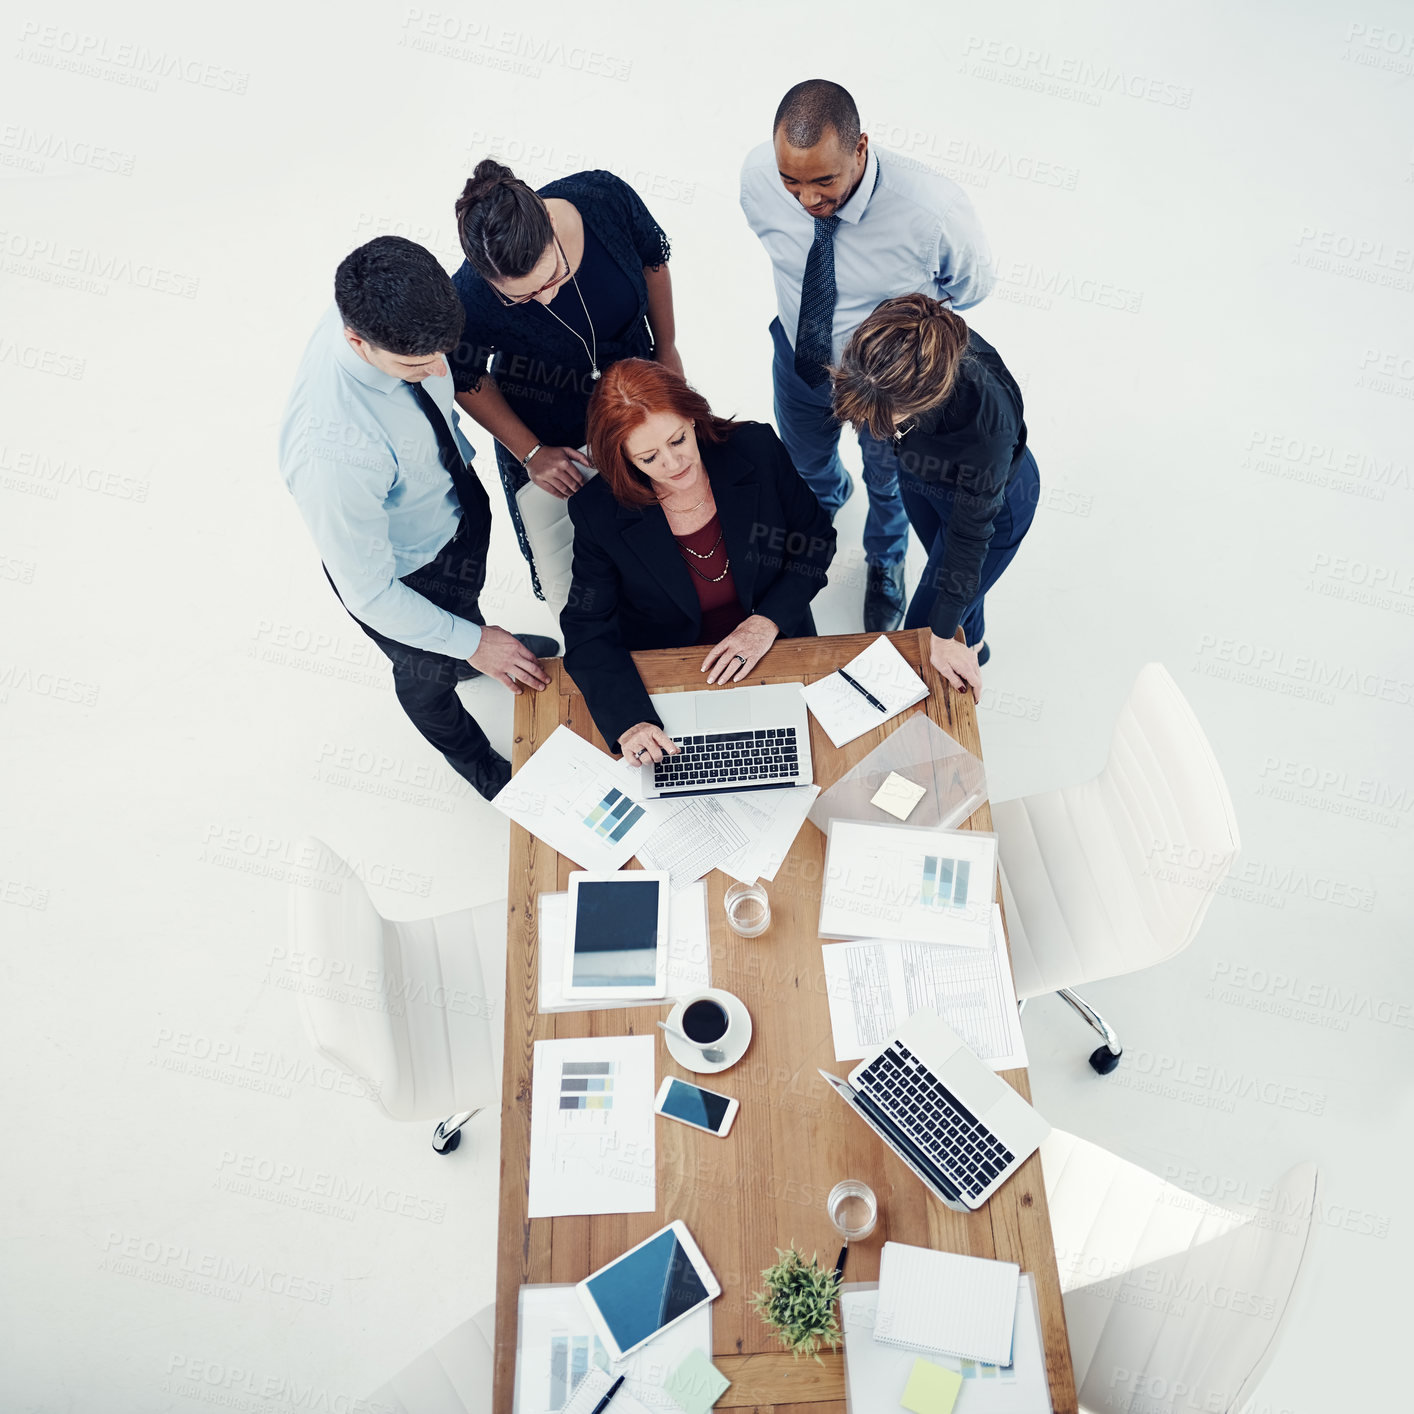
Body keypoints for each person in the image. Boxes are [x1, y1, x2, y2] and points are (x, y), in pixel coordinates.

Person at [279, 236, 557, 801]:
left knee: (463, 612)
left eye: (442, 352)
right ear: (357, 340)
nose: (438, 372)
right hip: (404, 572)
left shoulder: (390, 305)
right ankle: (480, 764)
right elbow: (371, 594)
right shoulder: (332, 454)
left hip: (452, 508)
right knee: (424, 681)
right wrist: (472, 642)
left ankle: (465, 649)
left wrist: (470, 634)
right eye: (415, 364)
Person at [740, 79, 994, 633]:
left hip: (883, 386)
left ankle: (885, 558)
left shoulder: (932, 211)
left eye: (824, 180)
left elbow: (971, 288)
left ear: (861, 148)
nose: (807, 200)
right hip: (798, 359)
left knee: (890, 482)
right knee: (803, 463)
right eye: (793, 183)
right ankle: (825, 504)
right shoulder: (758, 179)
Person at [562, 359, 836, 763]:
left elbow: (814, 540)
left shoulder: (756, 449)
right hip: (672, 668)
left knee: (810, 759)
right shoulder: (597, 512)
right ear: (624, 458)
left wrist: (767, 621)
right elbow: (587, 628)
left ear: (692, 418)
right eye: (649, 458)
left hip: (774, 641)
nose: (674, 466)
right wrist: (630, 721)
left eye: (677, 441)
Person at [449, 159, 680, 598]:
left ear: (549, 218)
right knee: (581, 574)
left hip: (636, 393)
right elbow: (464, 376)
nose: (547, 296)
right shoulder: (471, 295)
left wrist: (667, 349)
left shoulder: (603, 199)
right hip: (547, 424)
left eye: (552, 276)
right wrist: (530, 452)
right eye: (523, 297)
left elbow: (653, 262)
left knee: (665, 533)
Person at [830, 293, 1040, 700]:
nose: (877, 432)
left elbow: (968, 539)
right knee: (955, 588)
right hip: (920, 480)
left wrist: (941, 634)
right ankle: (975, 643)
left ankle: (960, 650)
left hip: (991, 512)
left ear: (926, 399)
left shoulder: (987, 424)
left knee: (919, 637)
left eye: (888, 421)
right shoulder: (894, 333)